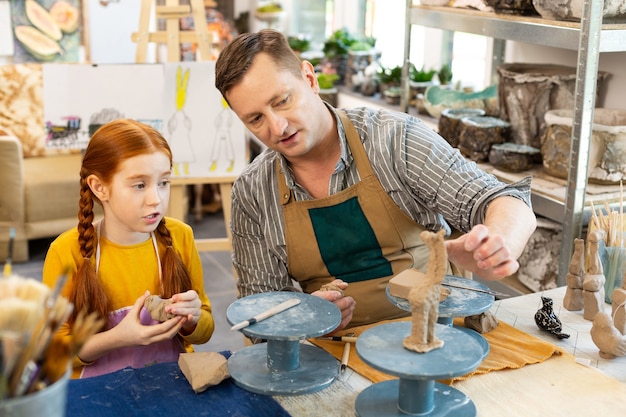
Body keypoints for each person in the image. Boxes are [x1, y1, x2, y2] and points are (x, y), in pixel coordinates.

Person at [215, 29, 537, 331]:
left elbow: (505, 200)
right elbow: (256, 311)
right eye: (256, 119)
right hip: (330, 351)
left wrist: (497, 243)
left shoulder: (394, 138)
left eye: (282, 101)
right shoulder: (253, 191)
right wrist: (304, 318)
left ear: (309, 78)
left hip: (432, 334)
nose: (277, 127)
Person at [43, 119, 214, 378]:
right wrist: (117, 338)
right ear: (100, 187)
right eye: (139, 185)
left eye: (163, 182)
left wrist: (193, 320)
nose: (155, 199)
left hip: (171, 385)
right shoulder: (66, 251)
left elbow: (205, 329)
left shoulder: (180, 237)